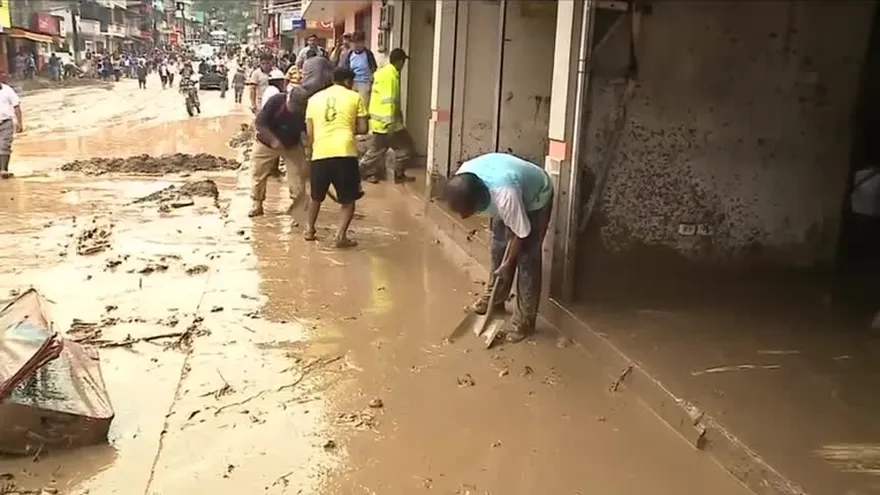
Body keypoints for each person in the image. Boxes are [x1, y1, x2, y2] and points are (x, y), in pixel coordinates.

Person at [443, 153, 554, 343]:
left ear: (477, 200)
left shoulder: (505, 196)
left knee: (527, 258)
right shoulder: (464, 177)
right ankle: (495, 298)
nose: (462, 217)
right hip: (510, 189)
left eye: (465, 211)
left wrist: (508, 263)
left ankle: (524, 322)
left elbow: (521, 234)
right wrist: (504, 262)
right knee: (498, 245)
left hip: (535, 196)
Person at [304, 67, 368, 248]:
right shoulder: (355, 97)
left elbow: (310, 134)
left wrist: (310, 153)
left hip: (320, 153)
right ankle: (340, 237)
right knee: (348, 200)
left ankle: (309, 230)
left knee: (316, 196)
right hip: (344, 152)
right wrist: (348, 127)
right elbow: (363, 128)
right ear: (348, 81)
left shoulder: (313, 99)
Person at [248, 87, 310, 219]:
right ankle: (257, 203)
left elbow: (307, 130)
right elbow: (260, 124)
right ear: (288, 98)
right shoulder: (275, 101)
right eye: (292, 106)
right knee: (258, 172)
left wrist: (308, 145)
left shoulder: (305, 110)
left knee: (298, 176)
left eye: (298, 108)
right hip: (267, 142)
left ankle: (297, 209)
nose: (294, 110)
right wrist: (273, 140)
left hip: (292, 144)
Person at [359, 48, 415, 184]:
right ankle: (358, 171)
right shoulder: (390, 76)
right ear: (399, 61)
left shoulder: (382, 73)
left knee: (379, 150)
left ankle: (397, 174)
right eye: (403, 62)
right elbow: (388, 101)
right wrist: (390, 124)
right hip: (388, 124)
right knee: (404, 147)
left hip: (383, 123)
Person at [340, 32, 377, 108]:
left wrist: (370, 82)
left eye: (358, 42)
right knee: (352, 105)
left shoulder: (368, 54)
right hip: (352, 83)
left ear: (363, 43)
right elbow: (345, 69)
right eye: (354, 43)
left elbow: (374, 69)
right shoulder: (349, 54)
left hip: (364, 83)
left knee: (363, 106)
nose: (356, 45)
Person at [0, 74, 23, 178]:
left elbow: (16, 106)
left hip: (6, 122)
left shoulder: (7, 90)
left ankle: (4, 169)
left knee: (4, 146)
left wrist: (19, 122)